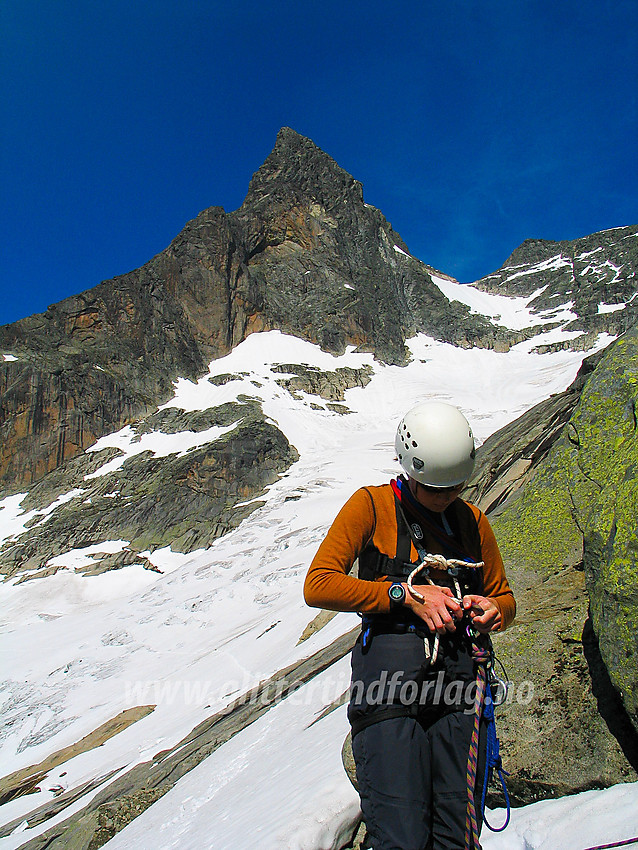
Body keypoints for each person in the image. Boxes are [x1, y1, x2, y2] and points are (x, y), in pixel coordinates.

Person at [304, 401, 515, 850]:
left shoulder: (472, 522)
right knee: (401, 837)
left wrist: (495, 610)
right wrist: (403, 595)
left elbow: (504, 598)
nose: (445, 497)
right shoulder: (371, 507)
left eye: (454, 487)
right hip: (388, 696)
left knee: (457, 837)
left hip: (458, 695)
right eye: (435, 488)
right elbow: (319, 585)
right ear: (409, 469)